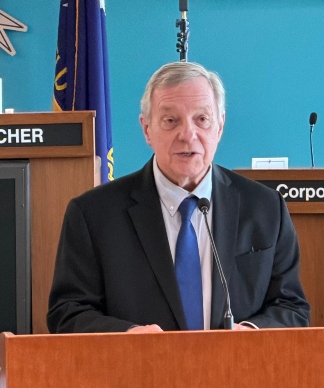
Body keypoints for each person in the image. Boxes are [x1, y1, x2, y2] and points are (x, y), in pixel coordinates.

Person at [48, 61, 310, 332]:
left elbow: (291, 306)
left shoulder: (265, 208)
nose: (188, 135)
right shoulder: (93, 214)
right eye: (171, 121)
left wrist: (251, 335)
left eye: (202, 119)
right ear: (147, 129)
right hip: (138, 371)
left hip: (237, 370)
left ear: (219, 127)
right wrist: (125, 338)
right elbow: (68, 313)